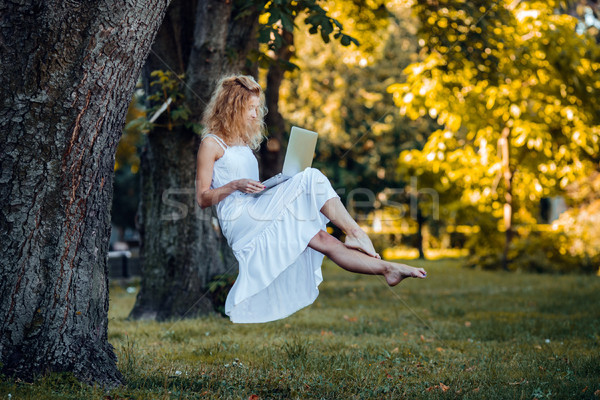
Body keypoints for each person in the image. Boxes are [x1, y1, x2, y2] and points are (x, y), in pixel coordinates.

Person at [195, 75, 427, 323]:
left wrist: (275, 184)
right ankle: (356, 232)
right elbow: (203, 198)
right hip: (240, 220)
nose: (255, 114)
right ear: (233, 106)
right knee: (312, 177)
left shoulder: (242, 143)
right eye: (249, 108)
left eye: (256, 108)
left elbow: (251, 188)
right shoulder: (211, 144)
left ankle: (388, 269)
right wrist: (234, 184)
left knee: (321, 239)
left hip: (257, 208)